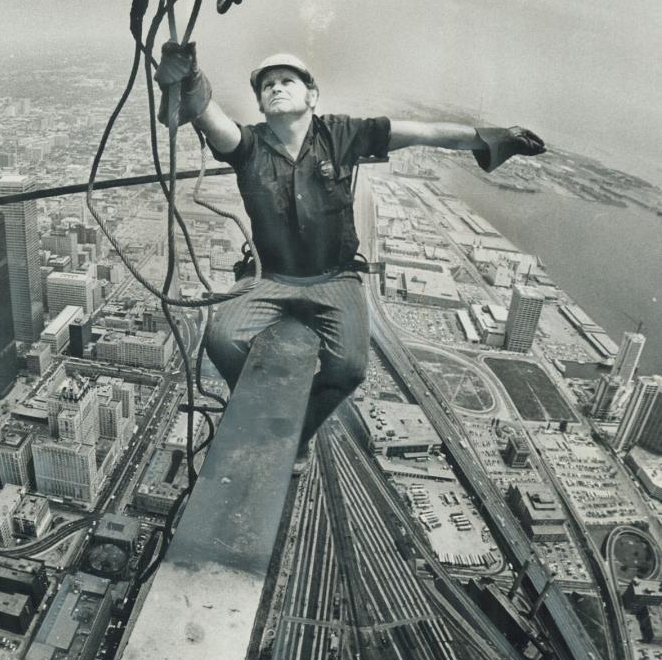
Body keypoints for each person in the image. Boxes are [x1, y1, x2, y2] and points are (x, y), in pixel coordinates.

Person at [155, 43, 545, 454]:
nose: (276, 88)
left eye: (287, 81)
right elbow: (212, 119)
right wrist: (191, 80)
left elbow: (424, 133)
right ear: (260, 102)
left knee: (350, 368)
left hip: (334, 278)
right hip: (269, 277)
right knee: (222, 339)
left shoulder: (342, 134)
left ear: (312, 96)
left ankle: (297, 432)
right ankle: (254, 410)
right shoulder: (249, 145)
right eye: (267, 85)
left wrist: (493, 139)